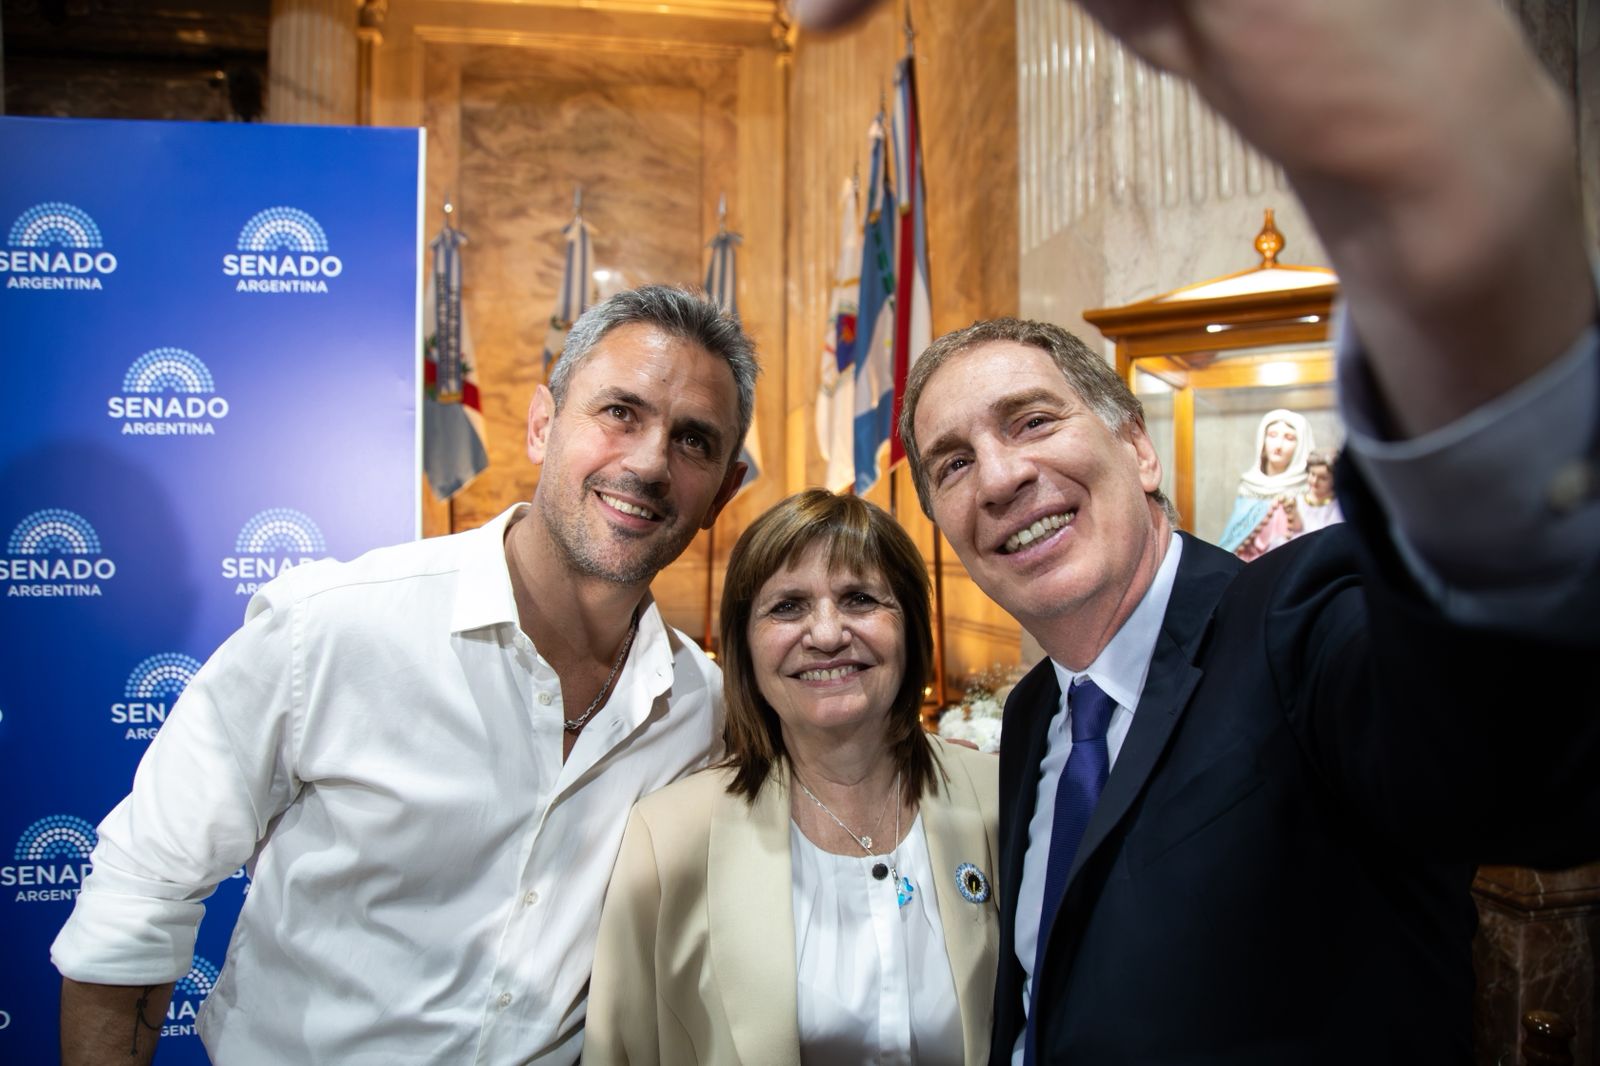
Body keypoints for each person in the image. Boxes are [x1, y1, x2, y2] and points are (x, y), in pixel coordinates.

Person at [881, 1, 1600, 1061]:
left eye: (1032, 421)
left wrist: (1466, 302)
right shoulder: (1038, 713)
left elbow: (1514, 758)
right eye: (951, 463)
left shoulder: (1297, 620)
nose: (998, 476)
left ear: (1139, 448)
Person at [51, 285, 759, 1065]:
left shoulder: (701, 711)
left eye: (694, 441)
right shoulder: (330, 626)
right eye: (620, 412)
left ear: (722, 492)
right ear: (542, 425)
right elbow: (143, 891)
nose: (650, 461)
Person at [583, 489, 1000, 1065]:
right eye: (787, 607)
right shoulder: (669, 838)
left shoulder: (998, 798)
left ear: (910, 627)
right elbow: (620, 1051)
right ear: (745, 645)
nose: (826, 634)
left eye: (859, 599)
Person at [1216, 408, 1313, 559]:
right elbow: (1233, 538)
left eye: (1289, 438)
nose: (1278, 445)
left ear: (1300, 446)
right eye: (1272, 435)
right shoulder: (1250, 486)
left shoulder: (1307, 489)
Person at [1296, 448, 1344, 537]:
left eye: (1323, 478)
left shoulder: (1338, 508)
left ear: (1334, 479)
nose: (1315, 481)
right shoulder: (1296, 502)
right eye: (1312, 474)